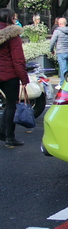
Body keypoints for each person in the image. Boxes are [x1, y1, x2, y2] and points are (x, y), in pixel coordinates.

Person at [0, 8, 29, 148]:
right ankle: (9, 137)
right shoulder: (13, 34)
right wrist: (24, 78)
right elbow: (18, 59)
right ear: (9, 19)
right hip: (9, 75)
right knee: (11, 105)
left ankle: (2, 131)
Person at [49, 17, 68, 88]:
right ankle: (63, 82)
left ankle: (63, 84)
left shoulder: (57, 31)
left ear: (59, 23)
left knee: (63, 69)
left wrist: (51, 50)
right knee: (64, 69)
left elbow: (52, 42)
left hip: (61, 52)